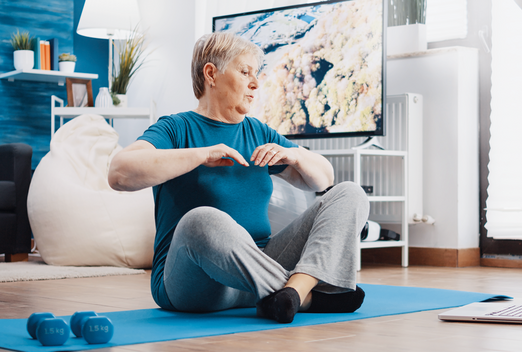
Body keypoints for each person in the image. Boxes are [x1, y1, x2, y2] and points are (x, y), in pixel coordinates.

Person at [108, 32, 370, 324]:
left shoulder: (258, 131)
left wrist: (295, 155)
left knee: (350, 193)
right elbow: (119, 172)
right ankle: (311, 295)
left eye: (256, 74)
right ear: (211, 74)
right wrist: (200, 155)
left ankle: (293, 294)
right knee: (201, 220)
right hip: (194, 283)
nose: (255, 83)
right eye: (245, 72)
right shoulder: (176, 128)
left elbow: (323, 180)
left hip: (259, 269)